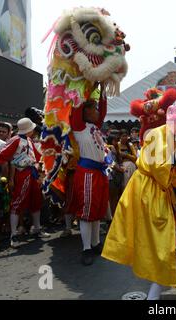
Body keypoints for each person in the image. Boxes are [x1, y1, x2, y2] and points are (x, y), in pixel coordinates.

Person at [102, 97, 176, 300]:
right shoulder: (158, 135)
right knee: (165, 246)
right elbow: (160, 168)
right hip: (149, 194)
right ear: (169, 114)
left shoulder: (175, 138)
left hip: (159, 194)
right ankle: (153, 296)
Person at [67, 87, 110, 266]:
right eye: (94, 109)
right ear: (85, 112)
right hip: (87, 173)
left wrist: (103, 89)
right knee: (86, 212)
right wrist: (90, 87)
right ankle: (86, 248)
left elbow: (104, 109)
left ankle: (95, 244)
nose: (98, 112)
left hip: (99, 172)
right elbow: (77, 106)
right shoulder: (79, 126)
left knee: (98, 210)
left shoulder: (95, 126)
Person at [0, 118, 50, 248]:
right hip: (21, 174)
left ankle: (36, 228)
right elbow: (2, 155)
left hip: (32, 173)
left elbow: (37, 157)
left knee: (36, 200)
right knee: (17, 202)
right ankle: (13, 235)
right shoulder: (16, 140)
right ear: (29, 129)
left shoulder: (29, 140)